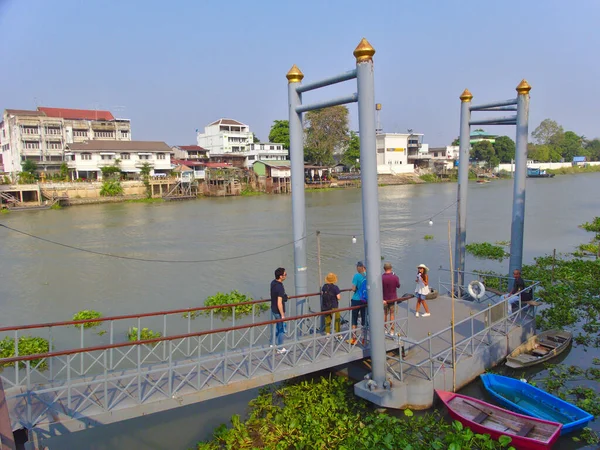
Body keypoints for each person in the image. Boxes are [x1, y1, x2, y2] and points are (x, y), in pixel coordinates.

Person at [348, 261, 367, 345]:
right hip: (365, 300)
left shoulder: (356, 276)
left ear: (359, 267)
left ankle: (354, 338)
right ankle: (364, 338)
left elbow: (353, 288)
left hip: (356, 299)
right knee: (364, 319)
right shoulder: (367, 275)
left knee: (354, 319)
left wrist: (355, 290)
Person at [270, 267, 288, 354]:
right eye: (285, 274)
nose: (286, 276)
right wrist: (283, 315)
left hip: (273, 309)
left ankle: (272, 344)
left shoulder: (273, 283)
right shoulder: (280, 287)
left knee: (277, 328)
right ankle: (280, 348)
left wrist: (284, 296)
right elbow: (279, 303)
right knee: (282, 330)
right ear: (281, 276)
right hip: (278, 311)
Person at [382, 262, 400, 335]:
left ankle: (384, 329)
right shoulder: (395, 277)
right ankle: (392, 331)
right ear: (391, 268)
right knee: (392, 314)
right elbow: (398, 286)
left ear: (384, 269)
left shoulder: (381, 277)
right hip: (393, 298)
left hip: (384, 299)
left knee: (384, 314)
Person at [321, 272, 342, 338]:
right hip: (334, 306)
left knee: (327, 319)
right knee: (337, 319)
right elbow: (338, 297)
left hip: (326, 306)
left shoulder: (324, 287)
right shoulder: (335, 287)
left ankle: (327, 334)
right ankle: (338, 334)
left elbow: (322, 294)